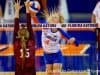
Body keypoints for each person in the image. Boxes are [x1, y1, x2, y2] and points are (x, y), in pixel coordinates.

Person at [13, 0, 36, 75]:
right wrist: (27, 8)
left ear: (18, 35)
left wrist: (17, 10)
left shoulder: (16, 42)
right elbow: (29, 24)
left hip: (19, 71)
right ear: (28, 34)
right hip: (30, 72)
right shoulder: (31, 41)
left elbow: (16, 26)